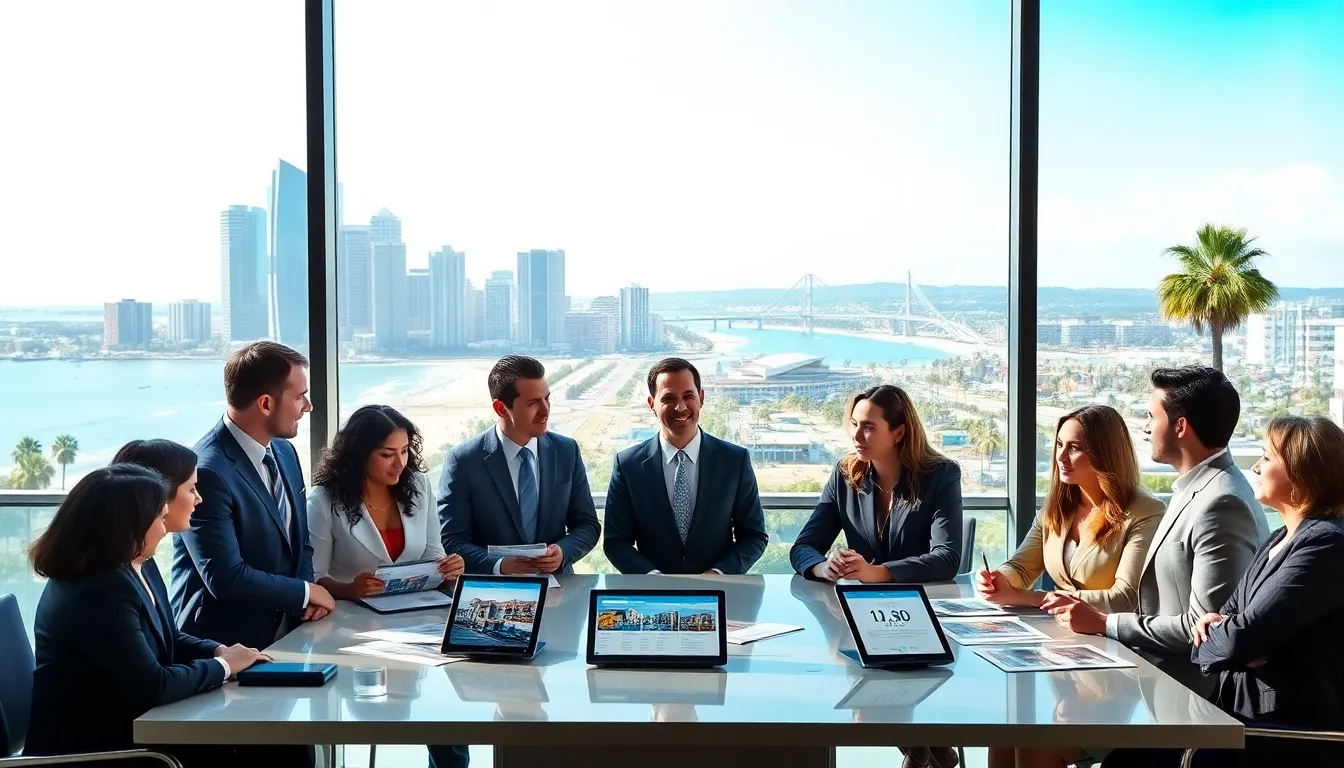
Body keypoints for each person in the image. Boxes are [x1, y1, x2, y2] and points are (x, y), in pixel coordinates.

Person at [1105, 417, 1344, 768]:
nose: (1257, 467)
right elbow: (1220, 628)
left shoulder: (1327, 544)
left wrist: (1235, 640)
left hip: (1282, 731)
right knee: (1125, 757)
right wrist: (1234, 638)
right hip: (1233, 718)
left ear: (1301, 475)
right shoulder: (1280, 539)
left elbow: (1237, 637)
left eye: (1267, 458)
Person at [24, 465, 269, 767]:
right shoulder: (99, 589)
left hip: (129, 728)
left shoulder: (136, 565)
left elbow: (166, 636)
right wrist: (222, 666)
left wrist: (219, 651)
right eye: (158, 518)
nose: (164, 528)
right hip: (94, 749)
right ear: (128, 525)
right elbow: (154, 686)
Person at [1045, 366, 1268, 695]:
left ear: (1180, 427)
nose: (1146, 428)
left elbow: (1205, 628)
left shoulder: (1222, 503)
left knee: (1041, 738)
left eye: (1151, 417)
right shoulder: (1192, 489)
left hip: (1187, 696)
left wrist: (1106, 623)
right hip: (1153, 678)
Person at [980, 404, 1163, 768]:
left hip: (1118, 669)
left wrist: (1031, 598)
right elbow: (1021, 564)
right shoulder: (1057, 506)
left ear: (1105, 453)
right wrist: (1001, 580)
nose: (1061, 456)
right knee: (1002, 730)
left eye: (1074, 447)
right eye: (1059, 445)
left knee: (1033, 744)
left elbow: (1125, 598)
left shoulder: (1143, 512)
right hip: (1060, 661)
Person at [171, 341, 334, 652]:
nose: (308, 406)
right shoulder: (206, 472)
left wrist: (306, 598)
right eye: (300, 397)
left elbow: (301, 544)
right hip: (223, 647)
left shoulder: (285, 451)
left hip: (289, 636)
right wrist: (303, 592)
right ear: (265, 404)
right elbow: (225, 577)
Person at [603, 357, 768, 574]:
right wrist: (651, 578)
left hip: (718, 594)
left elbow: (754, 537)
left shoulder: (734, 461)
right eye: (668, 398)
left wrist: (719, 573)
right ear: (652, 405)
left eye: (688, 396)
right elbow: (616, 542)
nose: (680, 407)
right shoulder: (628, 465)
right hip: (653, 595)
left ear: (701, 398)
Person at [439, 355, 601, 575]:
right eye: (533, 403)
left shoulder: (566, 451)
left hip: (558, 588)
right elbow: (452, 540)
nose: (545, 410)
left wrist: (563, 552)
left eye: (547, 398)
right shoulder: (464, 460)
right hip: (494, 590)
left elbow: (588, 525)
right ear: (500, 408)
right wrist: (500, 565)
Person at [789, 384, 963, 584]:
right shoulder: (845, 474)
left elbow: (946, 558)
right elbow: (803, 547)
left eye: (869, 427)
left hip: (922, 601)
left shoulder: (941, 474)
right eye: (855, 424)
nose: (856, 435)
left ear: (899, 433)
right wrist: (824, 567)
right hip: (861, 603)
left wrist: (877, 572)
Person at [309, 404, 466, 598]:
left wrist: (449, 569)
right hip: (348, 616)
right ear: (360, 456)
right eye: (387, 454)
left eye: (404, 451)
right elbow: (314, 576)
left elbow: (432, 556)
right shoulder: (323, 500)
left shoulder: (420, 486)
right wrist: (351, 590)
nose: (400, 463)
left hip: (415, 611)